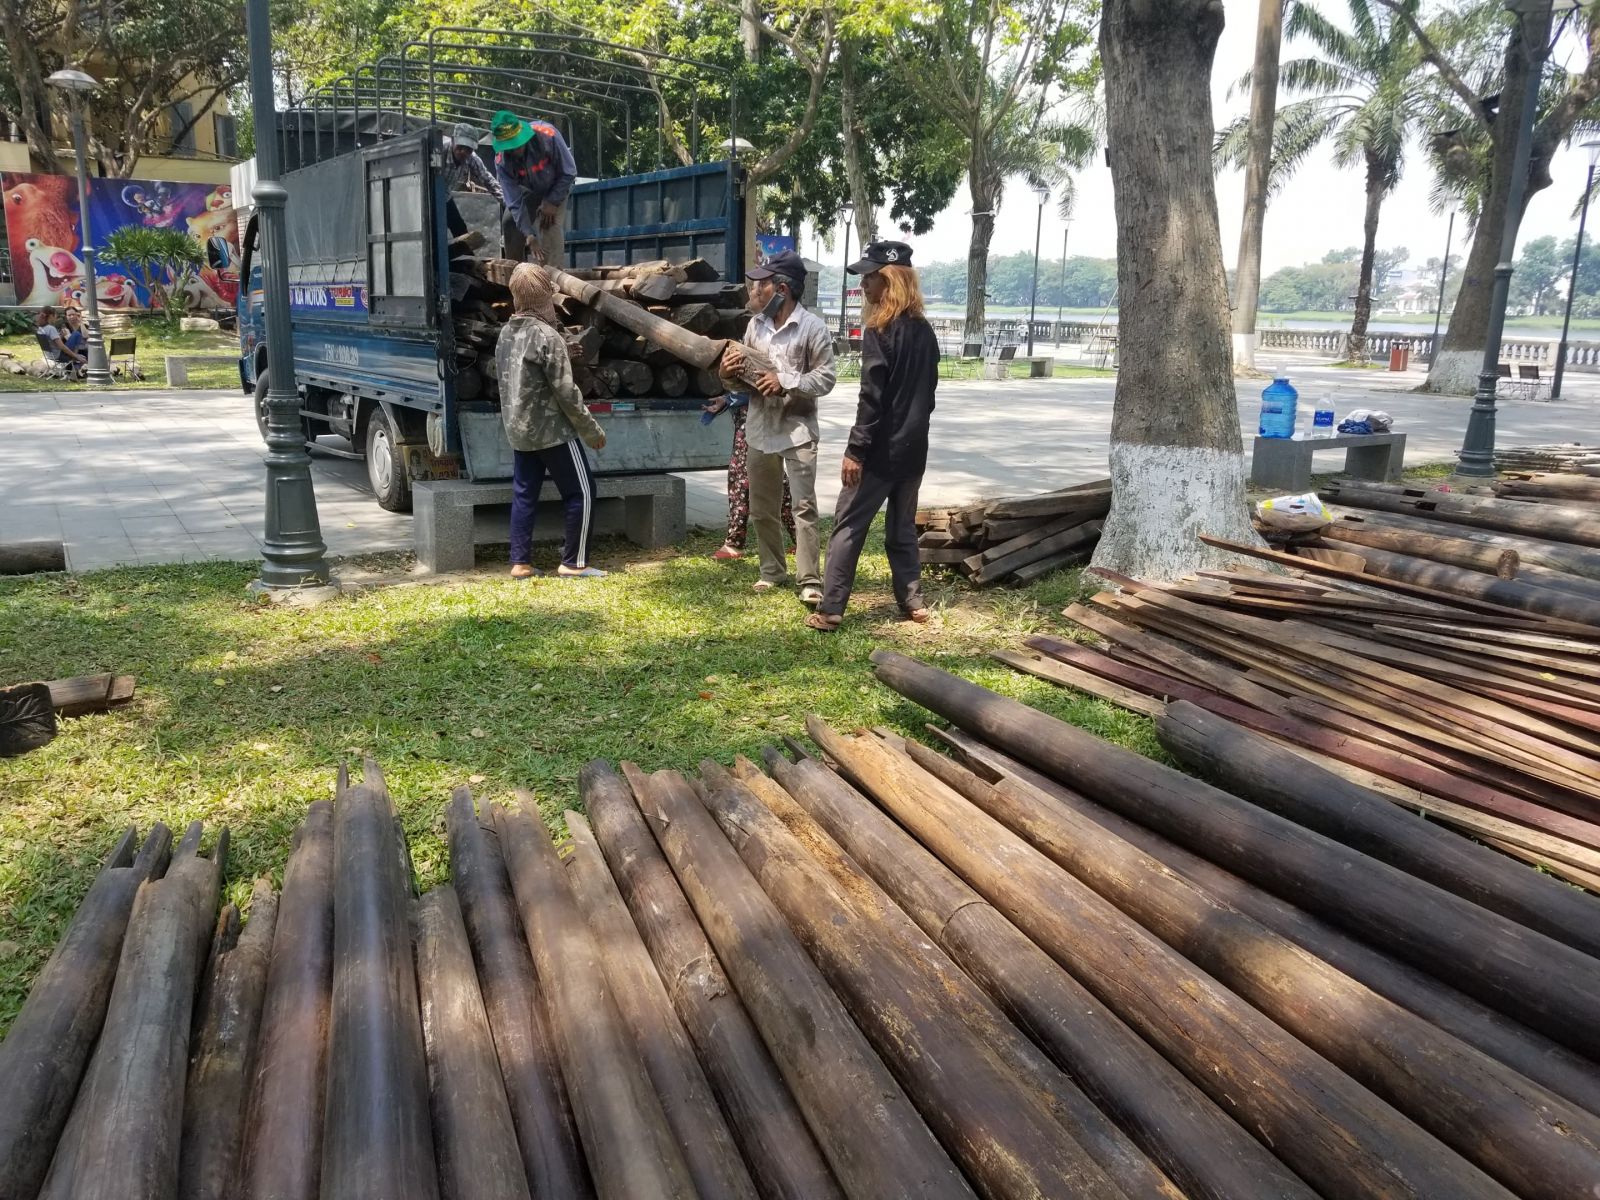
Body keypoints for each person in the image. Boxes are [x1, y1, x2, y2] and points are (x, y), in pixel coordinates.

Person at [807, 241, 938, 632]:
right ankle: (913, 602)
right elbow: (928, 394)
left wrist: (856, 450)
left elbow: (872, 397)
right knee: (902, 528)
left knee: (849, 525)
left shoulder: (880, 331)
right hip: (914, 450)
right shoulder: (925, 331)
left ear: (891, 281)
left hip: (879, 452)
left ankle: (831, 608)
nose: (863, 284)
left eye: (870, 277)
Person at [722, 249, 835, 603]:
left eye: (763, 285)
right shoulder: (754, 326)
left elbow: (826, 378)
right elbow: (743, 379)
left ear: (782, 289)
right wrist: (727, 375)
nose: (755, 291)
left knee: (804, 507)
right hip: (760, 428)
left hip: (798, 429)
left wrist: (785, 381)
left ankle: (809, 579)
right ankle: (771, 571)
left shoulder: (812, 327)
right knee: (762, 508)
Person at [495, 263, 608, 579]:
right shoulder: (547, 336)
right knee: (582, 492)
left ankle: (520, 563)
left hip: (519, 430)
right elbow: (566, 393)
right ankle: (574, 563)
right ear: (545, 295)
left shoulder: (505, 333)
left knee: (524, 494)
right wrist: (591, 430)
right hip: (553, 431)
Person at [702, 390, 795, 560]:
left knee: (742, 477)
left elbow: (755, 384)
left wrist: (732, 397)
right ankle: (799, 535)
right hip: (753, 414)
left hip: (757, 415)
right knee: (769, 475)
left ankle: (734, 543)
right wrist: (727, 399)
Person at [490, 109, 576, 267]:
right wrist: (529, 234)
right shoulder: (502, 161)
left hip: (558, 184)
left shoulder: (548, 135)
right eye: (509, 147)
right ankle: (517, 272)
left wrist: (552, 202)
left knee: (549, 226)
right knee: (510, 223)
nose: (514, 150)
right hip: (529, 189)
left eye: (517, 144)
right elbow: (514, 202)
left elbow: (569, 171)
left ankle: (552, 275)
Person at [442, 123, 503, 240]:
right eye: (460, 147)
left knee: (461, 231)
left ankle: (464, 252)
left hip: (445, 196)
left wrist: (508, 202)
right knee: (434, 232)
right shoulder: (440, 149)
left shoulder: (472, 158)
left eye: (468, 149)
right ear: (453, 140)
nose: (463, 152)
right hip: (427, 197)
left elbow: (488, 180)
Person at [35, 306, 83, 375]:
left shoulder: (40, 328)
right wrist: (75, 356)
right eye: (55, 315)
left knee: (75, 335)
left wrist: (61, 336)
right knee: (77, 334)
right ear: (51, 316)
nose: (56, 317)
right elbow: (61, 346)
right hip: (59, 356)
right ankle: (74, 359)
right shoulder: (51, 328)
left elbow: (51, 343)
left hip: (49, 355)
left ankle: (75, 359)